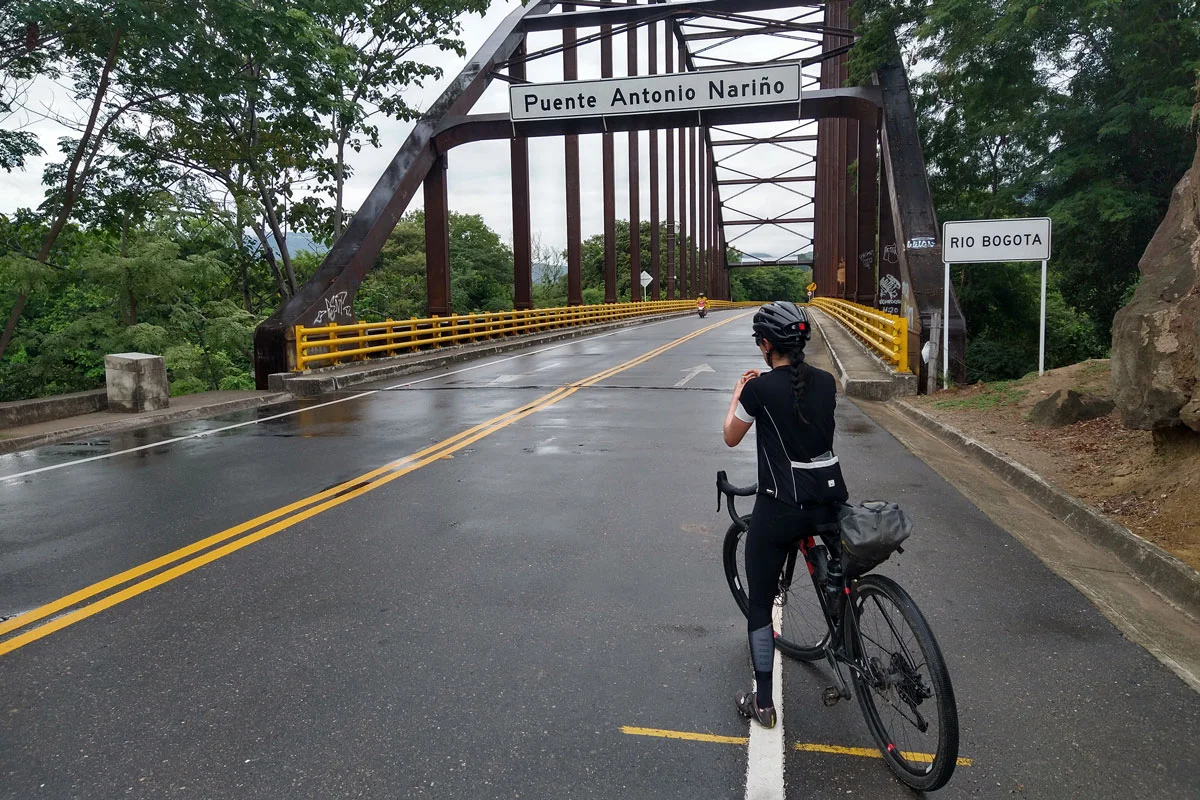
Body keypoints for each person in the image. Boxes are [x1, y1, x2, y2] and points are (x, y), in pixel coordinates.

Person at [721, 301, 849, 728]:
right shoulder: (828, 383)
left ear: (765, 345)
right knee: (839, 577)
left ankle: (762, 704)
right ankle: (849, 636)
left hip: (781, 508)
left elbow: (731, 437)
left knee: (760, 600)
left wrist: (740, 392)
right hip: (829, 502)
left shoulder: (760, 390)